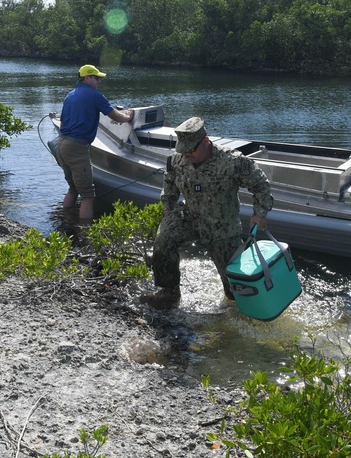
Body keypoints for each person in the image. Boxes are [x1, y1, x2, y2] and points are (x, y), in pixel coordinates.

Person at [141, 116, 274, 309]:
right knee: (164, 238)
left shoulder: (232, 161)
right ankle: (168, 293)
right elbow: (169, 182)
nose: (186, 154)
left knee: (234, 290)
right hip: (191, 216)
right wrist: (168, 206)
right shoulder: (178, 160)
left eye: (191, 150)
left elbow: (261, 185)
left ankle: (242, 312)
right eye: (183, 150)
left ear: (205, 141)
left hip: (223, 227)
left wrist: (260, 214)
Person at [56, 64, 133, 220]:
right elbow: (115, 116)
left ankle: (66, 222)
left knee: (72, 188)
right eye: (97, 78)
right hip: (77, 147)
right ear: (87, 78)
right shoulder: (94, 95)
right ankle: (85, 233)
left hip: (62, 143)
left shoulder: (70, 95)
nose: (99, 81)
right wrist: (128, 117)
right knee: (88, 196)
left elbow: (63, 123)